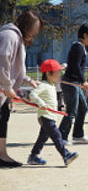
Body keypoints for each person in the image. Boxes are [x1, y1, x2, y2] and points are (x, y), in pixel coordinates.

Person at [0, 11, 41, 167]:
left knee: (3, 117)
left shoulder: (17, 38)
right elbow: (3, 60)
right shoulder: (10, 35)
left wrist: (29, 81)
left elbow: (15, 68)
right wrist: (7, 86)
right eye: (34, 29)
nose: (35, 33)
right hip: (2, 87)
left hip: (4, 89)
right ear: (26, 26)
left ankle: (2, 155)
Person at [27, 60, 79, 165]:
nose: (60, 74)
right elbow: (32, 95)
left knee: (42, 138)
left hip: (50, 116)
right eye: (57, 72)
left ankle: (33, 156)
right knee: (57, 135)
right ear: (48, 73)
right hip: (46, 116)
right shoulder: (44, 85)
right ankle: (66, 155)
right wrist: (41, 104)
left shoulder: (51, 86)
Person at [59, 24, 88, 145]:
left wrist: (81, 81)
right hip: (71, 82)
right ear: (85, 35)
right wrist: (83, 81)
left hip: (75, 83)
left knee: (83, 107)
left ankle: (78, 135)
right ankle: (61, 136)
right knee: (71, 110)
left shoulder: (81, 48)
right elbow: (75, 66)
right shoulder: (78, 47)